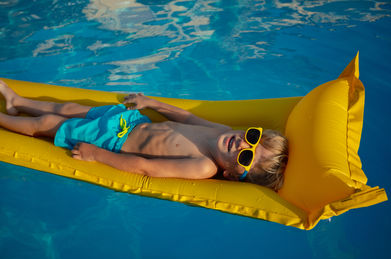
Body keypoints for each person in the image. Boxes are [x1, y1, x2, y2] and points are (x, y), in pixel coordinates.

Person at [0, 80, 288, 191]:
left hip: (112, 141)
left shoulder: (203, 166)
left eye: (247, 155)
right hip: (129, 121)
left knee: (49, 123)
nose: (241, 143)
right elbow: (185, 117)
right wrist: (151, 103)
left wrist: (97, 154)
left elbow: (145, 167)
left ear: (229, 174)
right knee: (70, 107)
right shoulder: (222, 132)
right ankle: (17, 102)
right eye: (253, 136)